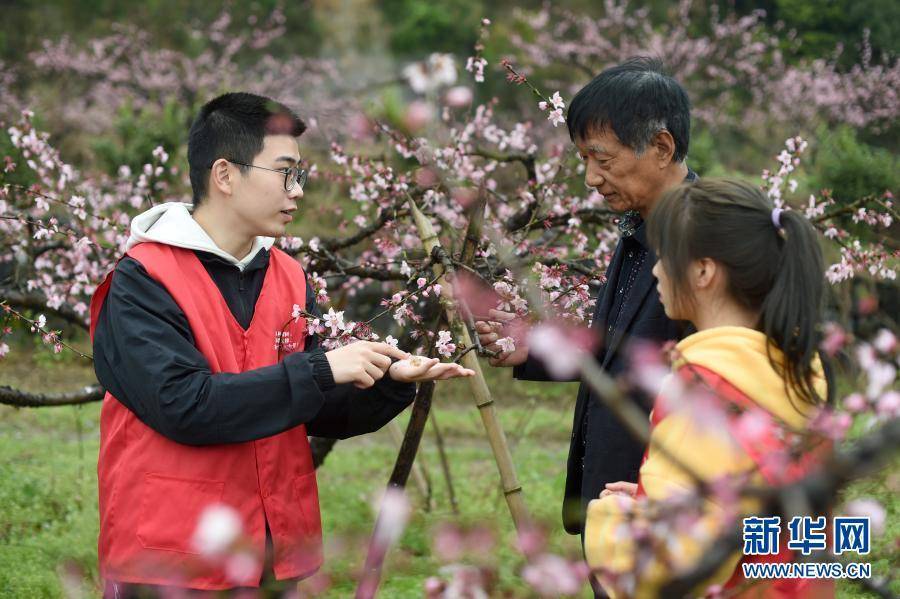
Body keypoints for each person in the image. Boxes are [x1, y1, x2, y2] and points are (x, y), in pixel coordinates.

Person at [90, 92, 473, 595]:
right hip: (173, 556)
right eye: (285, 172)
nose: (297, 191)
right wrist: (321, 370)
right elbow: (184, 405)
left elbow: (315, 407)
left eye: (301, 175)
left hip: (274, 552)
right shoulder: (142, 280)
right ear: (225, 175)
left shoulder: (288, 275)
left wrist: (386, 382)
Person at [476, 57, 696, 538]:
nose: (592, 178)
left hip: (667, 508)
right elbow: (623, 352)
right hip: (616, 500)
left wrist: (670, 493)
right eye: (584, 160)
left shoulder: (702, 244)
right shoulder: (639, 228)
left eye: (604, 158)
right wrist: (532, 351)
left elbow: (721, 383)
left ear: (661, 147)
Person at [584, 178, 833, 597]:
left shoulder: (700, 385)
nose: (658, 271)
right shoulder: (798, 371)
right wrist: (658, 496)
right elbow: (813, 533)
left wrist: (613, 521)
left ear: (702, 271)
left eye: (663, 258)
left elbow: (669, 564)